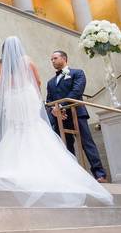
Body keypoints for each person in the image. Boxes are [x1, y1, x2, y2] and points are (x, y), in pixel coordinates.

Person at [0, 37, 114, 207]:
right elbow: (38, 82)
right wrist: (29, 93)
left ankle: (16, 166)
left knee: (15, 130)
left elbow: (1, 84)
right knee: (34, 129)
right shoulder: (27, 60)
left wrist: (13, 93)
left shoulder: (0, 64)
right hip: (27, 97)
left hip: (13, 100)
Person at [45, 51, 107, 182]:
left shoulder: (77, 73)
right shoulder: (50, 82)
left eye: (55, 58)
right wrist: (53, 110)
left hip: (76, 113)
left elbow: (77, 91)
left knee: (87, 143)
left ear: (64, 58)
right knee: (66, 146)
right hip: (60, 118)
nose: (53, 61)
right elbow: (49, 100)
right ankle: (72, 175)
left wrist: (60, 106)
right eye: (51, 59)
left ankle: (99, 174)